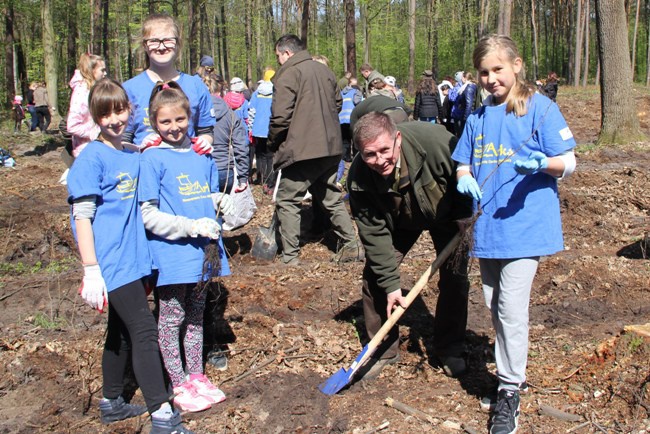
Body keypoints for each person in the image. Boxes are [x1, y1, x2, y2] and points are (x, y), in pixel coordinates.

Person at [452, 34, 577, 434]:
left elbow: (569, 161)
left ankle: (509, 391)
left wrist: (545, 164)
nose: (490, 79)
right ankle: (512, 373)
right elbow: (463, 163)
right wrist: (463, 178)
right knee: (494, 304)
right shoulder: (476, 117)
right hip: (487, 229)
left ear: (517, 65)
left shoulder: (541, 109)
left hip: (525, 227)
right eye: (484, 72)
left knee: (510, 307)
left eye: (497, 70)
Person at [67, 78, 193, 434]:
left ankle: (111, 402)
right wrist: (91, 269)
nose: (114, 119)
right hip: (111, 261)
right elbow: (82, 217)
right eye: (105, 113)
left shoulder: (129, 151)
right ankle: (163, 415)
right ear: (94, 116)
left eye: (119, 110)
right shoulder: (91, 158)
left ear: (130, 110)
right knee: (144, 330)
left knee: (121, 331)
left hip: (136, 258)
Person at [347, 111, 473, 379]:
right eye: (370, 155)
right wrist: (392, 284)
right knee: (375, 277)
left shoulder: (437, 143)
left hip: (446, 212)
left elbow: (463, 173)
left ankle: (450, 349)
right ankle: (383, 349)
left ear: (398, 138)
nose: (379, 160)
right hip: (399, 220)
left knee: (455, 277)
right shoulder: (359, 178)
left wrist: (464, 215)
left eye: (384, 150)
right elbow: (374, 235)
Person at [138, 81, 234, 413]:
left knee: (196, 315)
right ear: (154, 122)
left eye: (180, 120)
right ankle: (177, 383)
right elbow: (148, 214)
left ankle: (196, 375)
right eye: (165, 122)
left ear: (189, 117)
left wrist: (222, 204)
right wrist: (190, 226)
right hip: (172, 254)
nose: (174, 128)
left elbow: (208, 194)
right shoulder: (151, 159)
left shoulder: (200, 155)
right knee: (171, 317)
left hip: (204, 253)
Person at [269, 34, 362, 265]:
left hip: (303, 149)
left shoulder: (289, 73)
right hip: (330, 146)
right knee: (330, 197)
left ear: (287, 53)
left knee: (288, 199)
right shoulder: (325, 71)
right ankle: (352, 245)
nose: (279, 60)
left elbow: (280, 117)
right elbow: (337, 104)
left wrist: (273, 141)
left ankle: (289, 257)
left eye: (279, 56)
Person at [122, 13, 214, 150]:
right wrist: (140, 147)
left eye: (168, 40)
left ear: (178, 43)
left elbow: (206, 131)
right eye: (154, 41)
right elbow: (123, 138)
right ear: (144, 45)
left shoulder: (196, 86)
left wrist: (204, 143)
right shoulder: (129, 89)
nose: (161, 47)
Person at [203, 74, 249, 193]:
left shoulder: (193, 113)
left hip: (201, 169)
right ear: (222, 91)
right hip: (224, 169)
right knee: (222, 209)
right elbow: (241, 146)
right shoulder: (231, 115)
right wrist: (243, 177)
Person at [67, 53, 107, 157]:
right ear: (91, 70)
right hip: (85, 151)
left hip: (96, 148)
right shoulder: (82, 92)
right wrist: (96, 133)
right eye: (102, 70)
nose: (105, 73)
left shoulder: (91, 90)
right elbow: (72, 126)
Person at [248, 68, 276, 194]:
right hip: (271, 129)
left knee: (260, 155)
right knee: (270, 156)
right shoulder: (276, 93)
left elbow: (251, 112)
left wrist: (251, 128)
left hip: (257, 129)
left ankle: (261, 178)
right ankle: (270, 181)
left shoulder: (256, 93)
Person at [338, 77, 362, 162]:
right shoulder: (356, 92)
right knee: (355, 139)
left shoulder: (341, 93)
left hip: (341, 119)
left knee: (345, 140)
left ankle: (345, 158)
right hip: (353, 119)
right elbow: (358, 103)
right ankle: (356, 159)